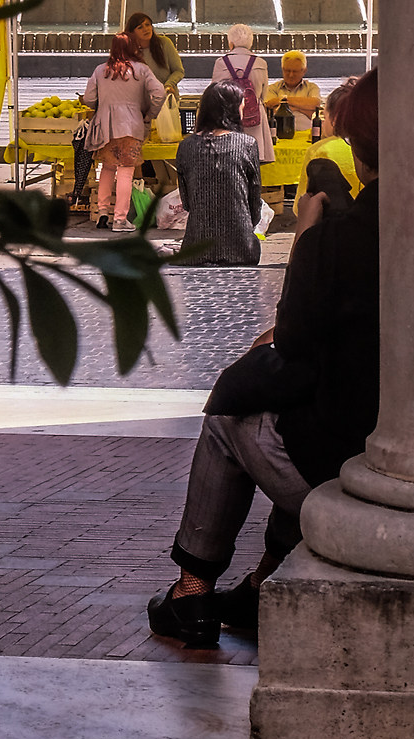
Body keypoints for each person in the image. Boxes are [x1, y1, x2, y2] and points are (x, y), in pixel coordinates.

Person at [148, 66, 381, 648]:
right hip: (383, 443)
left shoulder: (342, 237)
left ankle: (193, 588)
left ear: (356, 143)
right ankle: (258, 583)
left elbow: (297, 347)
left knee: (233, 414)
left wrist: (307, 233)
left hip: (357, 467)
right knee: (297, 419)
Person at [81, 34, 165, 232]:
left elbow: (88, 98)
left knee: (108, 168)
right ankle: (120, 219)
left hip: (105, 126)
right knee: (126, 171)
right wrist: (149, 113)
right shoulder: (142, 70)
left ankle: (102, 213)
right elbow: (159, 93)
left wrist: (102, 106)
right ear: (134, 48)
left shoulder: (100, 70)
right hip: (132, 125)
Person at [175, 82, 264, 267]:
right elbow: (254, 202)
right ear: (233, 110)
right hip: (241, 250)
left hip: (195, 249)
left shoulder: (186, 146)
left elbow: (187, 202)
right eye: (241, 106)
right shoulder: (247, 144)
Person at [127, 9, 185, 189]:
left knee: (168, 145)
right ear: (132, 32)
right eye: (140, 26)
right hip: (144, 107)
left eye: (148, 24)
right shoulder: (130, 52)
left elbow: (178, 70)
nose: (146, 29)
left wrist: (168, 84)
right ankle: (161, 186)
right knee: (150, 148)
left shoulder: (164, 44)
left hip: (167, 103)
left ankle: (177, 187)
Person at [213, 23, 274, 165]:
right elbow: (263, 95)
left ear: (231, 43)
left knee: (228, 162)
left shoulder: (221, 63)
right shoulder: (260, 63)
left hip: (227, 119)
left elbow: (214, 94)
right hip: (255, 120)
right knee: (253, 163)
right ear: (250, 43)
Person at [266, 48, 323, 138]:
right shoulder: (272, 88)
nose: (291, 75)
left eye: (295, 71)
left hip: (305, 136)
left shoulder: (312, 87)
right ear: (282, 69)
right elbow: (270, 107)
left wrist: (283, 100)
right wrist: (303, 109)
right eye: (287, 71)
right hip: (278, 136)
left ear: (304, 71)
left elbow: (315, 104)